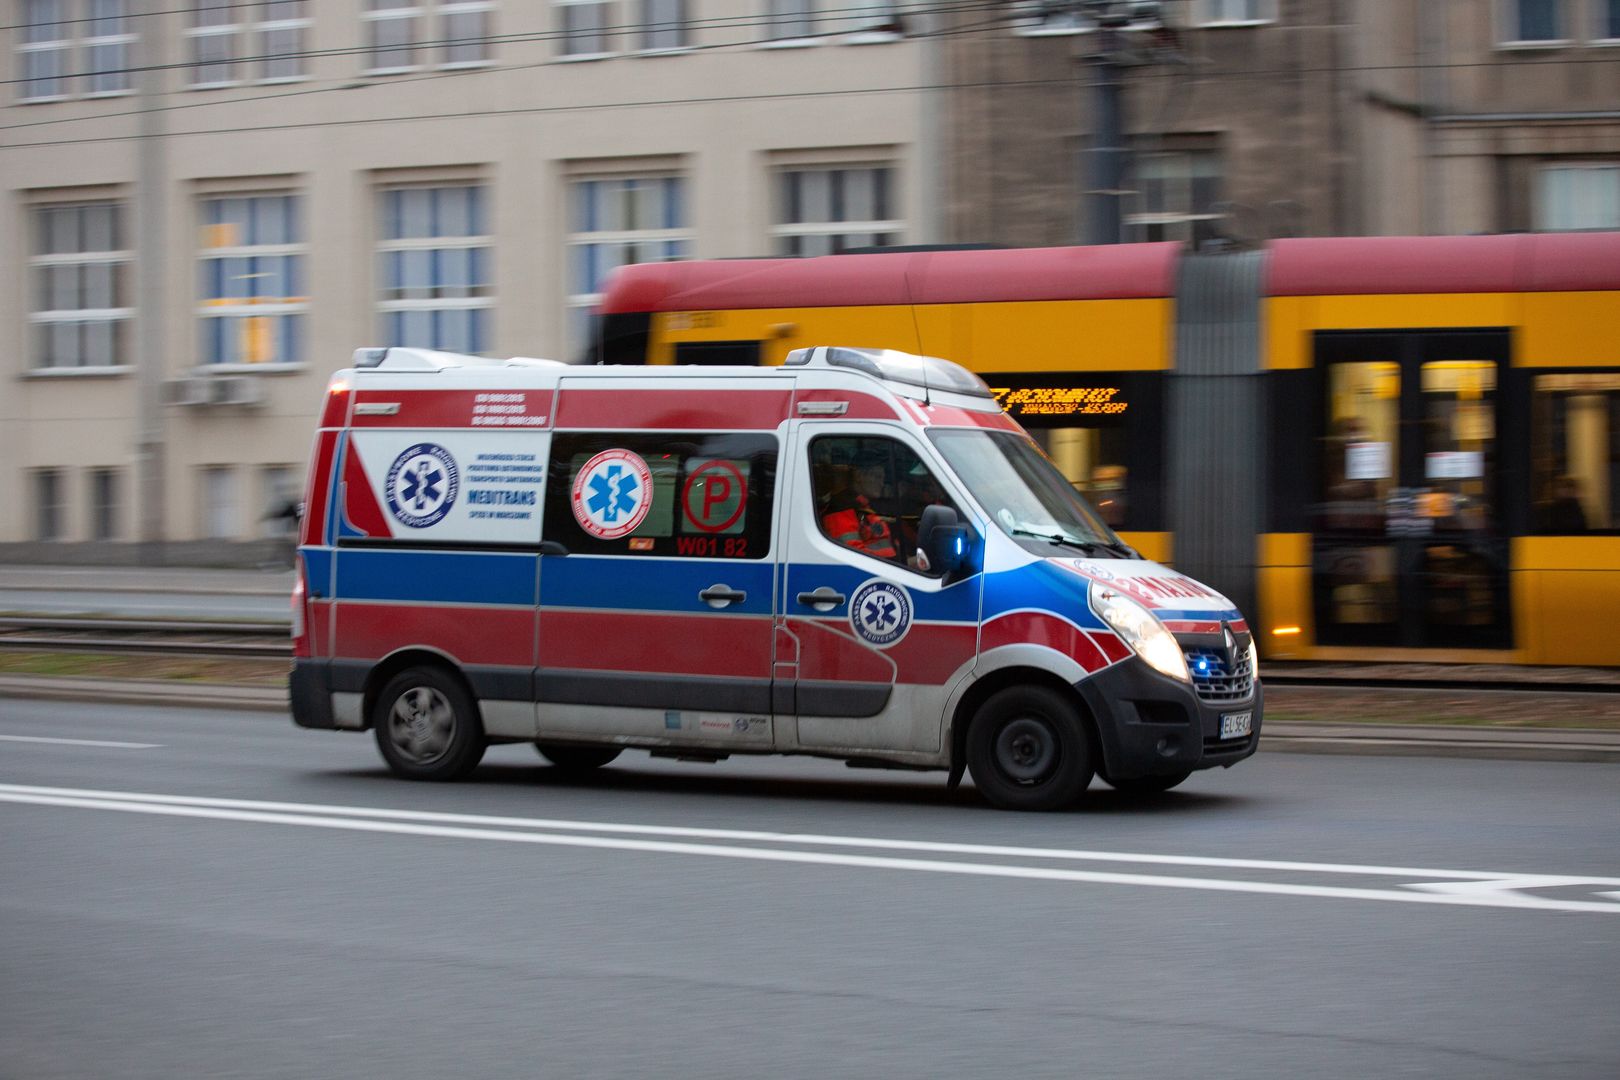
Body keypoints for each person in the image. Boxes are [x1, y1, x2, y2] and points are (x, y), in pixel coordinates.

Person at [819, 449, 899, 560]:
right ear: (859, 476)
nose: (881, 483)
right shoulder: (840, 510)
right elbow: (853, 557)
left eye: (883, 478)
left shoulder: (865, 507)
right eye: (877, 476)